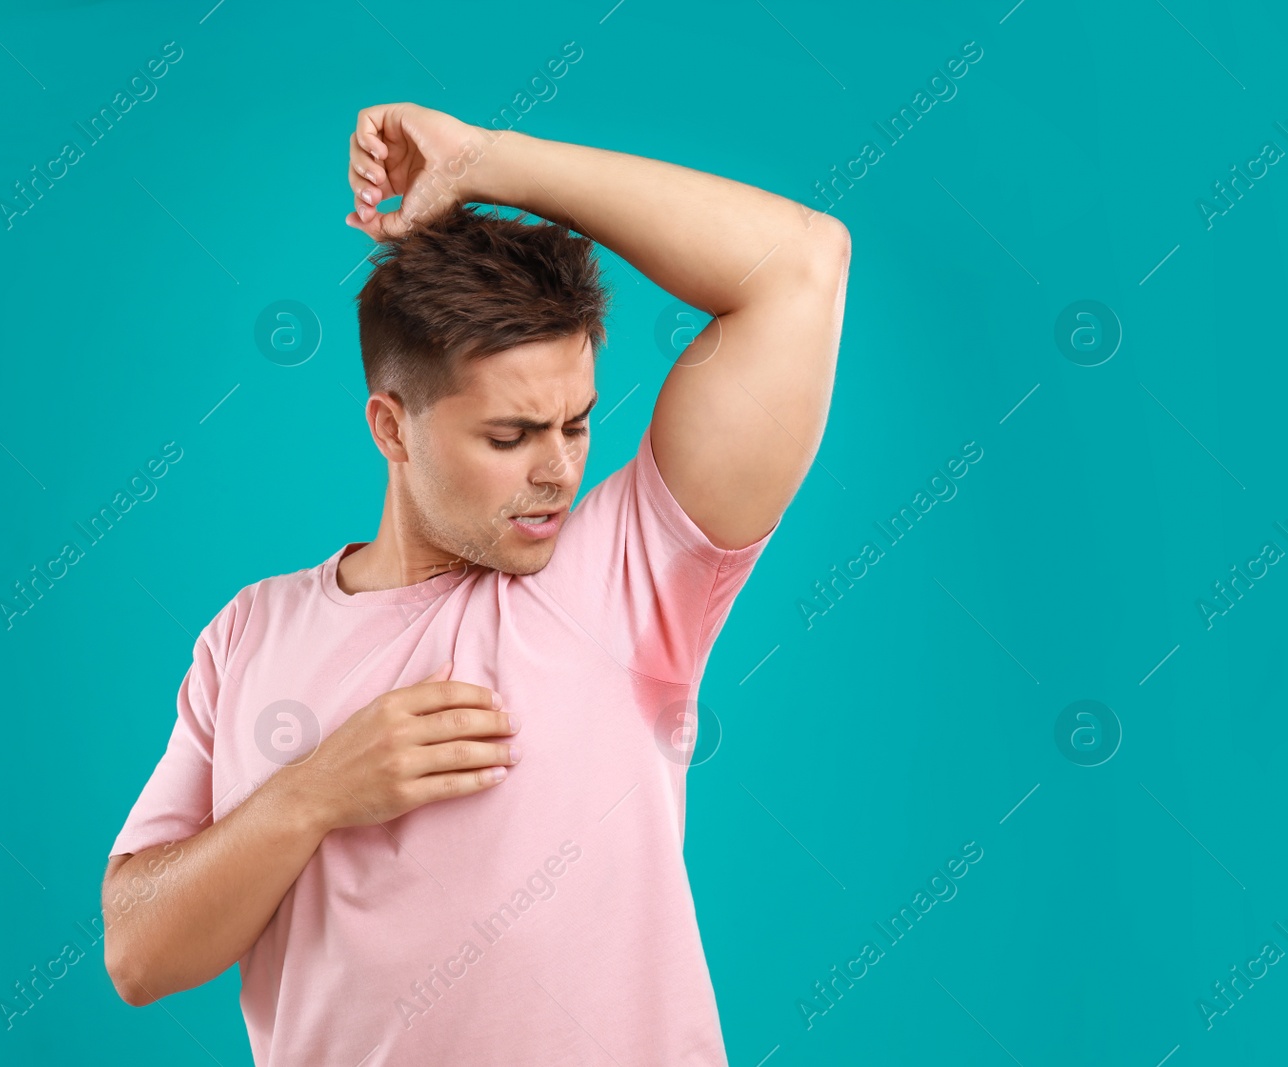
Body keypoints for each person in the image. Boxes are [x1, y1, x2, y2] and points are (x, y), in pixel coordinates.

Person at [101, 101, 849, 1065]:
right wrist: (314, 793)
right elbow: (137, 953)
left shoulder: (631, 571)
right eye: (510, 436)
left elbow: (802, 266)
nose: (558, 470)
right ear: (392, 427)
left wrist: (497, 162)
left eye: (576, 424)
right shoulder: (250, 632)